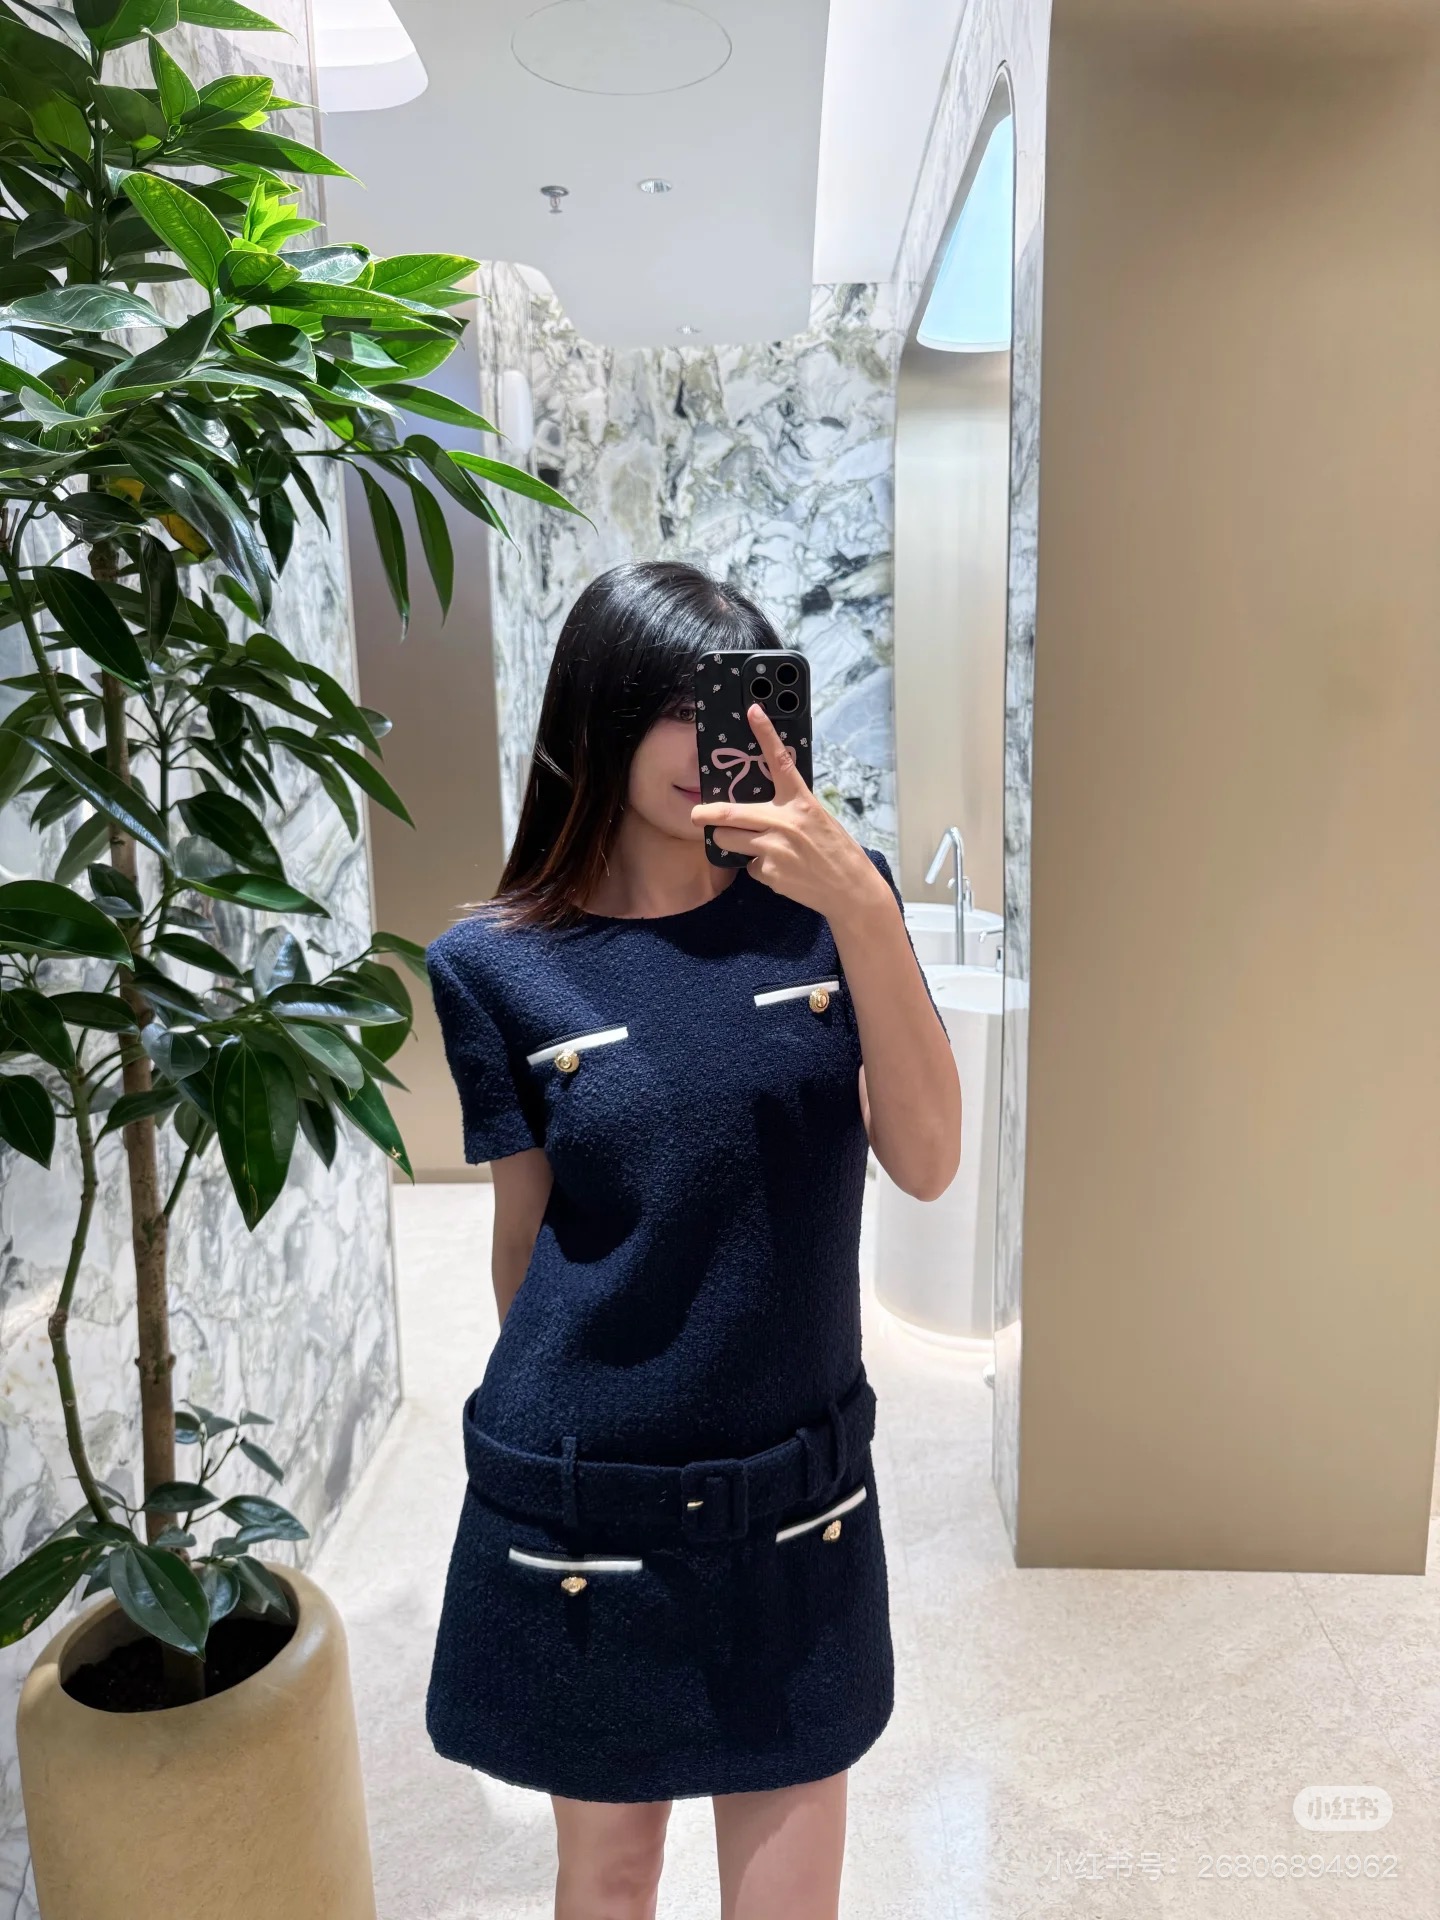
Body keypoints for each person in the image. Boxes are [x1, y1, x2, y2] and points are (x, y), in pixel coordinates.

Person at [425, 561, 961, 1920]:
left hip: (798, 1497)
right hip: (591, 1503)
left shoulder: (833, 911)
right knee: (608, 1876)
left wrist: (864, 909)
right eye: (666, 703)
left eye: (727, 702)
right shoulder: (494, 964)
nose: (702, 740)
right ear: (596, 712)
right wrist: (569, 1457)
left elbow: (927, 1158)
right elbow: (524, 1242)